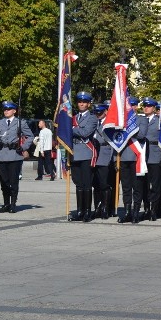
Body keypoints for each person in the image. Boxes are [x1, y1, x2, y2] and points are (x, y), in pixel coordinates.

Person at [0, 100, 33, 213]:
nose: (6, 111)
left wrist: (24, 147)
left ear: (14, 111)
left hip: (15, 155)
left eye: (9, 109)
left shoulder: (21, 123)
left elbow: (30, 136)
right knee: (4, 181)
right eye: (5, 109)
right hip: (2, 155)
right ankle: (6, 203)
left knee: (13, 181)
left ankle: (13, 204)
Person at [70, 92, 98, 222]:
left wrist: (71, 129)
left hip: (87, 152)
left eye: (84, 102)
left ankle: (87, 211)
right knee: (78, 184)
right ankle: (80, 210)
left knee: (87, 184)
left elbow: (86, 133)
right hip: (75, 153)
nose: (81, 104)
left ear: (88, 104)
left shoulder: (92, 118)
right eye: (80, 102)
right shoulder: (73, 117)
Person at [117, 97, 145, 223]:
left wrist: (129, 129)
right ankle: (127, 211)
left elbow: (142, 134)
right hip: (123, 157)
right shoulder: (120, 121)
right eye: (129, 106)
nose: (131, 108)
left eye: (133, 105)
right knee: (126, 187)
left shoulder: (141, 119)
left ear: (136, 107)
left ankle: (136, 212)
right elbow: (115, 141)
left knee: (137, 187)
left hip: (136, 157)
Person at [139, 97, 161, 221]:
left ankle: (155, 209)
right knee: (144, 184)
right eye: (145, 105)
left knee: (155, 184)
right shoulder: (139, 120)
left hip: (154, 154)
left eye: (149, 106)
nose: (146, 108)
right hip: (142, 155)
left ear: (154, 108)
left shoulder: (159, 121)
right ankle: (147, 208)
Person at [91, 101, 114, 221]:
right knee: (95, 184)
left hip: (105, 153)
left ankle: (105, 208)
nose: (97, 115)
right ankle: (97, 208)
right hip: (94, 155)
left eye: (99, 113)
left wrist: (112, 158)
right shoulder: (93, 122)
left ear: (106, 111)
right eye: (96, 113)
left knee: (104, 184)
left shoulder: (109, 123)